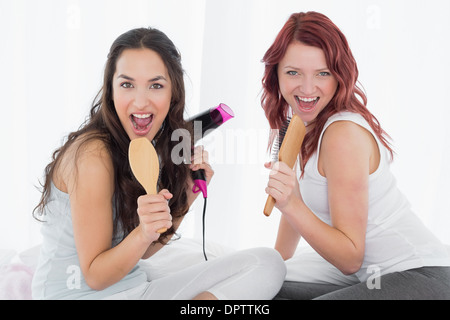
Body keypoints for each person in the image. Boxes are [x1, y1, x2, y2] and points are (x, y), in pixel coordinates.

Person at [32, 27, 286, 300]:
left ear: (173, 92)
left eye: (155, 85)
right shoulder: (92, 157)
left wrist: (187, 195)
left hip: (130, 283)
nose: (141, 102)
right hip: (82, 295)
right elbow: (96, 276)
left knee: (267, 264)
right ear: (111, 90)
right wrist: (143, 233)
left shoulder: (141, 147)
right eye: (127, 84)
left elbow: (141, 249)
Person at [262, 11, 450, 299]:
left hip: (423, 274)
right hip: (373, 277)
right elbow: (294, 206)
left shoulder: (342, 134)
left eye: (322, 73)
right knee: (260, 290)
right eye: (293, 72)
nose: (308, 88)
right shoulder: (301, 124)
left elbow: (350, 258)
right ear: (275, 75)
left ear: (339, 75)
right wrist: (267, 270)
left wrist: (291, 203)